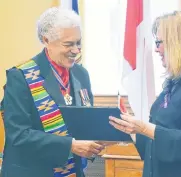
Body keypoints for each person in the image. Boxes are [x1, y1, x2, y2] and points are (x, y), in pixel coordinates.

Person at [109, 11, 181, 177]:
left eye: (159, 42)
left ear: (178, 42)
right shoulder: (177, 81)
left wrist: (143, 127)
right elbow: (158, 134)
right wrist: (132, 130)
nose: (156, 49)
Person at [1, 7, 105, 177]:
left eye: (78, 42)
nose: (76, 50)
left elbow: (86, 121)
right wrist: (70, 145)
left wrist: (102, 137)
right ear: (46, 40)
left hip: (73, 171)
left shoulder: (81, 74)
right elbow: (18, 135)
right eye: (68, 44)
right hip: (33, 171)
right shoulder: (20, 77)